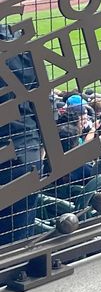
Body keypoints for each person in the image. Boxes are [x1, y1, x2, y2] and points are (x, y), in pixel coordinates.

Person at [0, 22, 43, 245]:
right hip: (26, 151)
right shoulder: (20, 41)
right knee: (17, 243)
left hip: (19, 149)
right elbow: (42, 100)